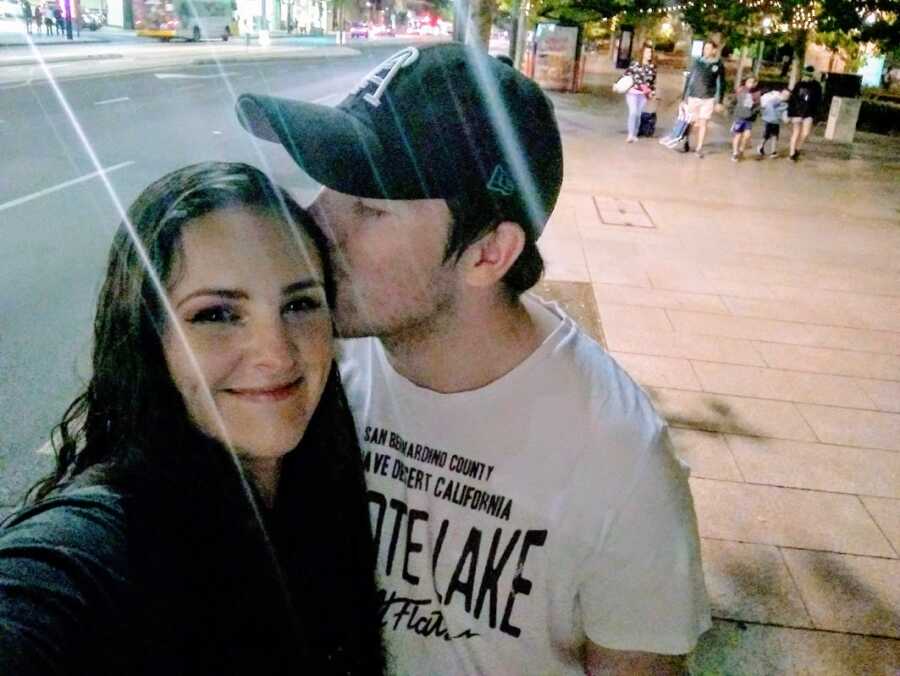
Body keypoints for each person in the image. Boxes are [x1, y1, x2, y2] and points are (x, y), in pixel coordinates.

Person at [237, 43, 711, 675]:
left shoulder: (616, 460)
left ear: (488, 253)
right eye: (329, 188)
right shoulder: (319, 366)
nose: (316, 221)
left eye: (369, 208)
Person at [0, 162, 384, 675]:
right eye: (217, 314)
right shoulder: (103, 548)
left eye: (299, 304)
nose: (276, 354)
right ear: (148, 337)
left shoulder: (327, 496)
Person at [679, 39, 726, 157]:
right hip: (694, 95)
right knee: (689, 121)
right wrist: (684, 97)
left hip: (708, 97)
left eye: (709, 48)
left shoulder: (718, 64)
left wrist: (719, 101)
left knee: (704, 122)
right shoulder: (697, 62)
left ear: (714, 50)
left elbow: (721, 83)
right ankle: (686, 140)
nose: (706, 50)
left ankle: (699, 147)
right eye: (705, 48)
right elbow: (689, 79)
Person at [623, 42, 657, 143]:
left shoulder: (652, 67)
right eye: (647, 52)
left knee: (638, 114)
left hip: (643, 95)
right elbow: (627, 75)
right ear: (642, 53)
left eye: (650, 52)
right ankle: (630, 134)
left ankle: (635, 133)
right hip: (632, 92)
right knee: (633, 112)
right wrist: (617, 84)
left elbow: (652, 82)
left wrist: (652, 93)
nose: (649, 54)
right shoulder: (635, 64)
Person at [787, 65, 823, 161]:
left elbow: (818, 100)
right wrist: (790, 113)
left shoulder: (816, 86)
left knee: (805, 133)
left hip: (809, 112)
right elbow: (792, 99)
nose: (808, 76)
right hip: (797, 112)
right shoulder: (799, 84)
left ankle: (797, 148)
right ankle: (792, 154)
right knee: (796, 132)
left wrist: (817, 114)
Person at [730, 76, 759, 162]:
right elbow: (734, 100)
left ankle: (741, 150)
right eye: (749, 81)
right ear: (745, 82)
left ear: (755, 83)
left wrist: (755, 112)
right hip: (739, 116)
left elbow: (757, 105)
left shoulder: (756, 93)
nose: (750, 84)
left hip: (749, 118)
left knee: (747, 135)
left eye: (752, 82)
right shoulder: (741, 90)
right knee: (738, 135)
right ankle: (735, 153)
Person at [758, 88, 790, 157]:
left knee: (774, 136)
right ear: (780, 94)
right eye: (784, 94)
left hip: (776, 122)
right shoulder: (775, 100)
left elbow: (784, 113)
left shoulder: (785, 105)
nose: (785, 96)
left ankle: (773, 151)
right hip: (769, 120)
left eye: (787, 96)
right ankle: (761, 146)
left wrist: (785, 119)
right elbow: (767, 106)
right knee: (766, 136)